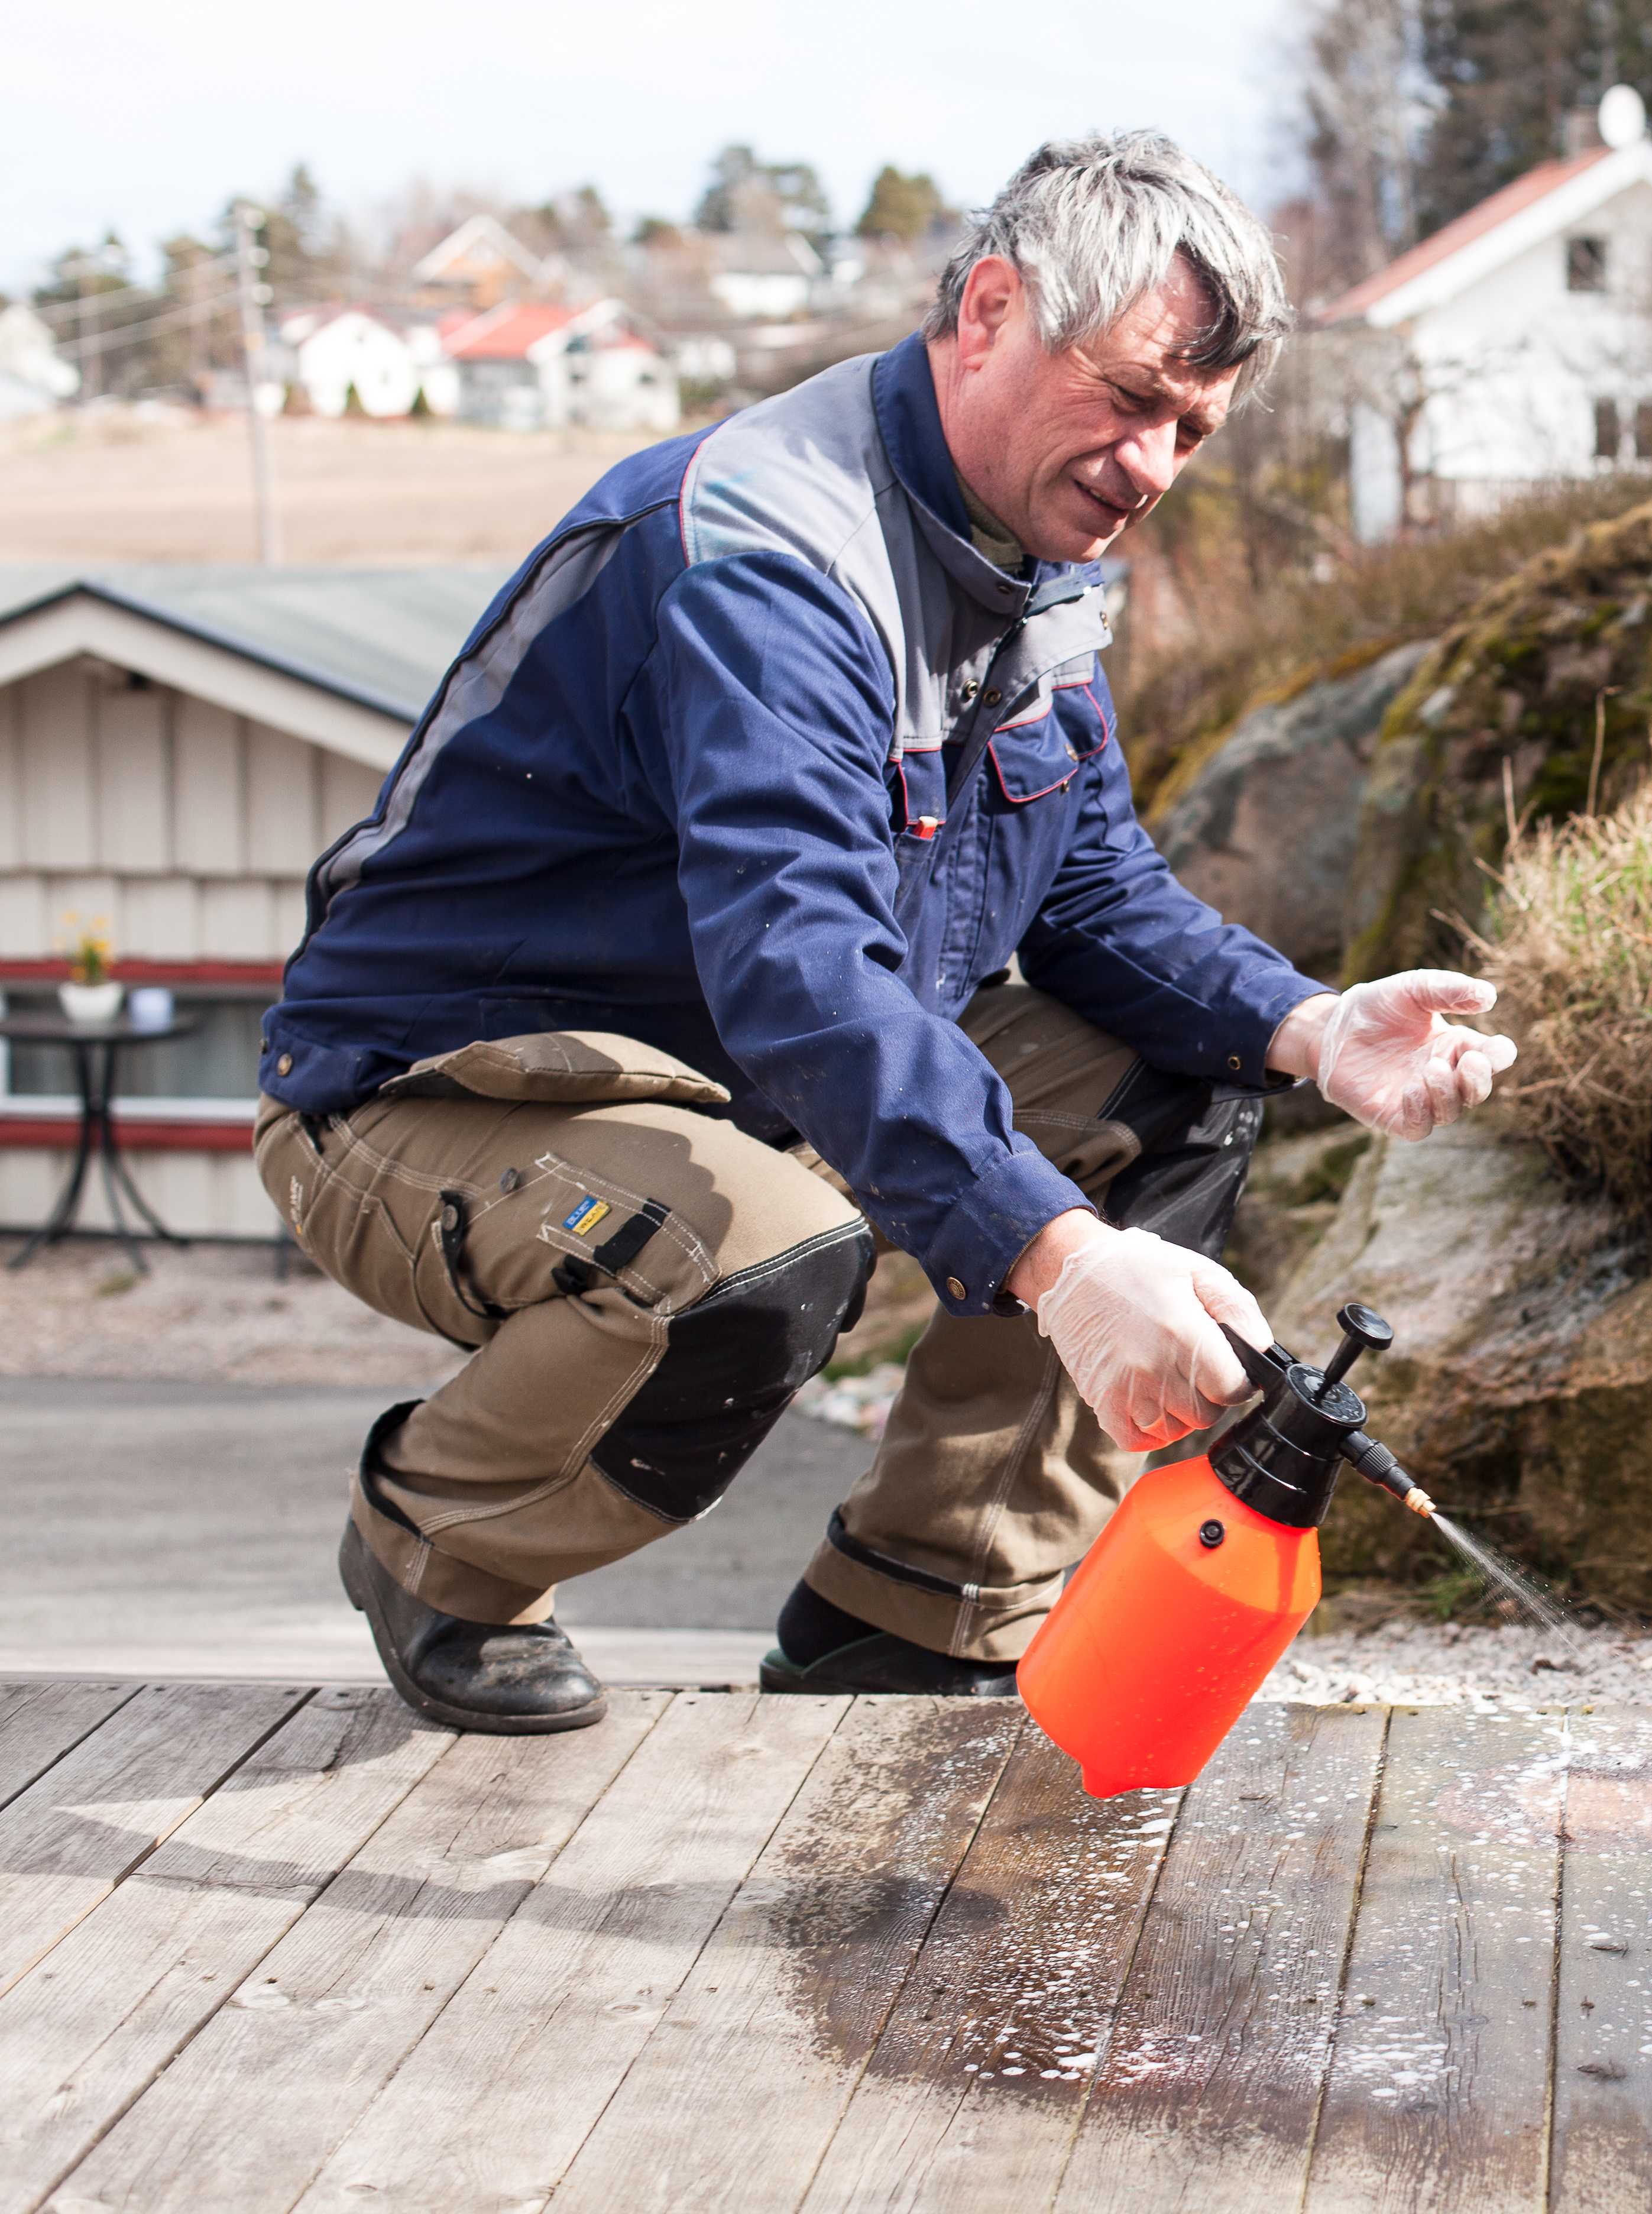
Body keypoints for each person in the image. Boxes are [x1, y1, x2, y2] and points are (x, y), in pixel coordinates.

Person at [254, 132, 1516, 1735]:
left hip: (738, 1084)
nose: (1153, 467)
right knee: (752, 1261)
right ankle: (442, 1546)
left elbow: (1094, 898)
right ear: (990, 308)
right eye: (1130, 399)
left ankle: (919, 1609)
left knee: (1176, 1087)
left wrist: (1311, 1027)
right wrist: (1061, 1267)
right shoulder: (767, 558)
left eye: (1191, 430)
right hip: (437, 1095)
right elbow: (799, 965)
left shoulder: (1036, 579)